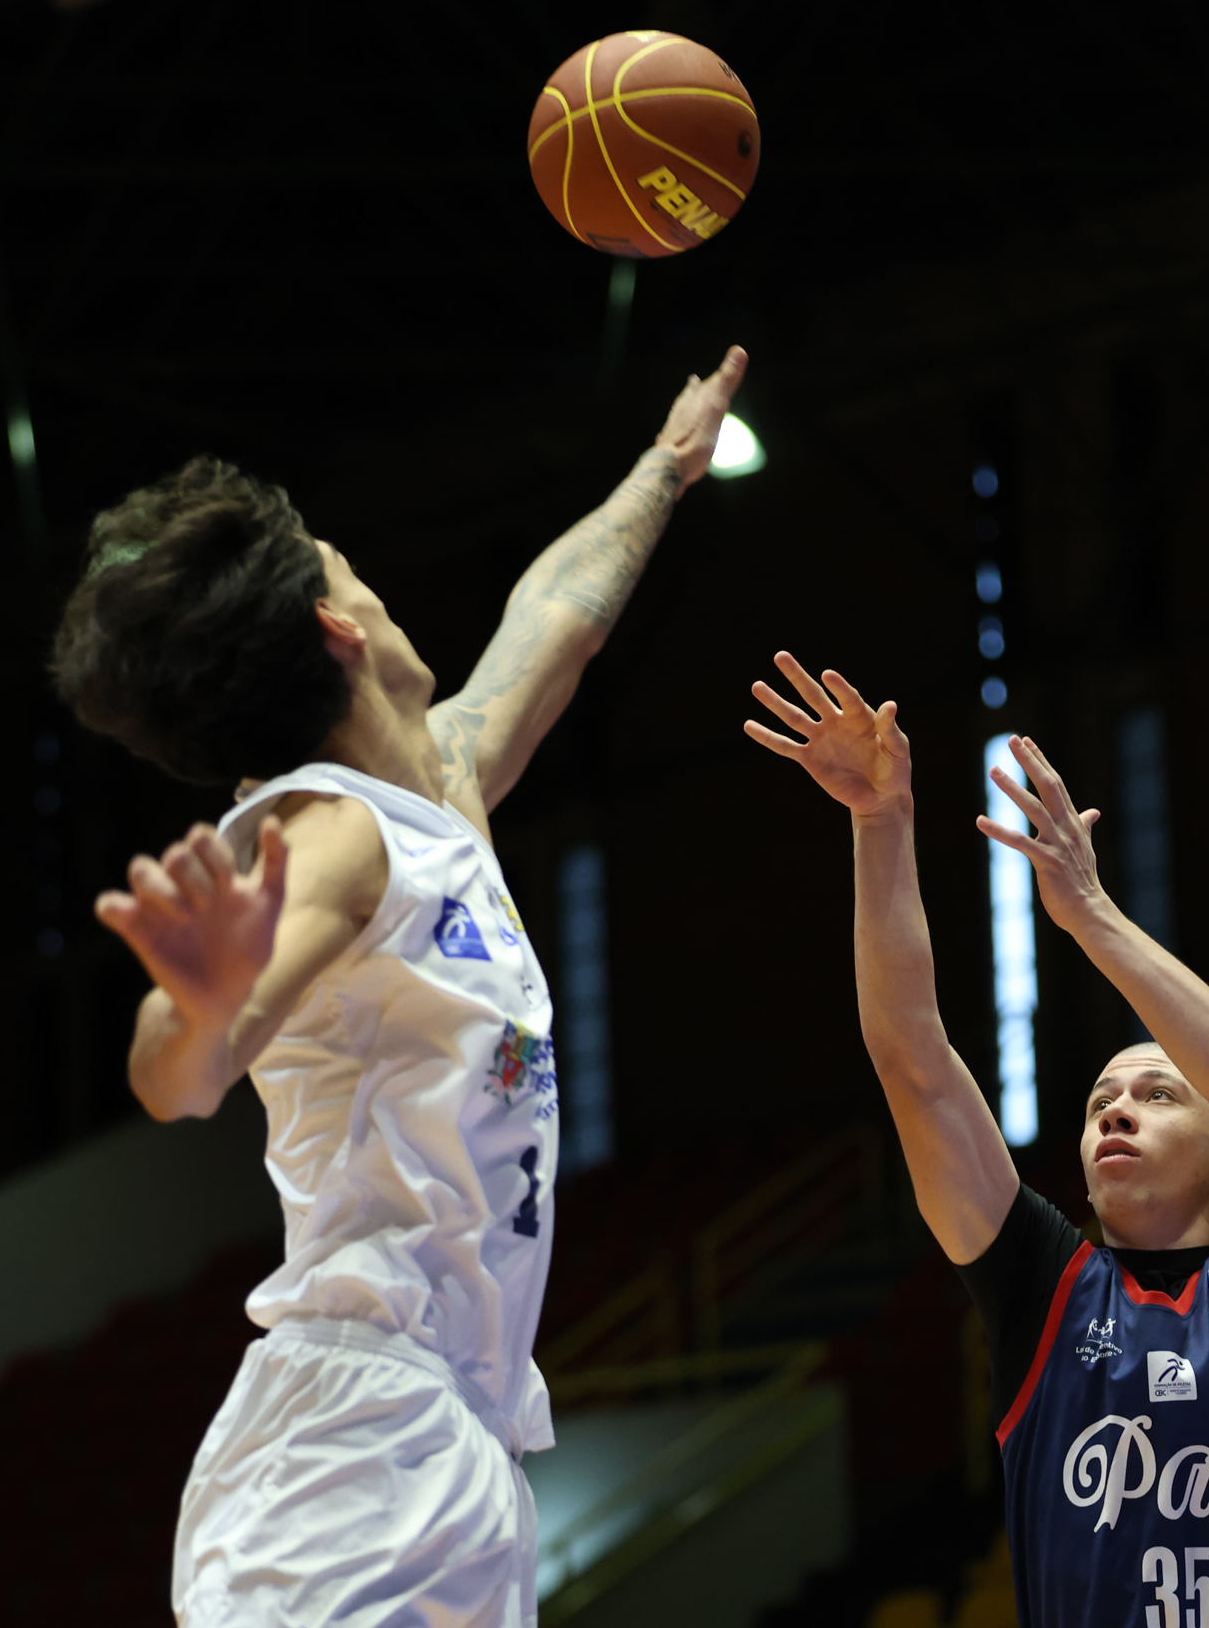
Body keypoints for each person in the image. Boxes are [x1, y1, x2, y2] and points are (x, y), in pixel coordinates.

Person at [49, 346, 747, 1628]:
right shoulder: (327, 834)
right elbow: (176, 1074)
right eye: (345, 563)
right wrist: (200, 1010)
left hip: (458, 1439)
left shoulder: (437, 790)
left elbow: (558, 619)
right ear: (340, 624)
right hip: (354, 1446)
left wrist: (665, 465)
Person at [744, 654, 1209, 1628]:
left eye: (1156, 1094)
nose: (1116, 1111)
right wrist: (880, 822)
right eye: (1101, 1099)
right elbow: (912, 1061)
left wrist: (1091, 916)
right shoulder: (1043, 1288)